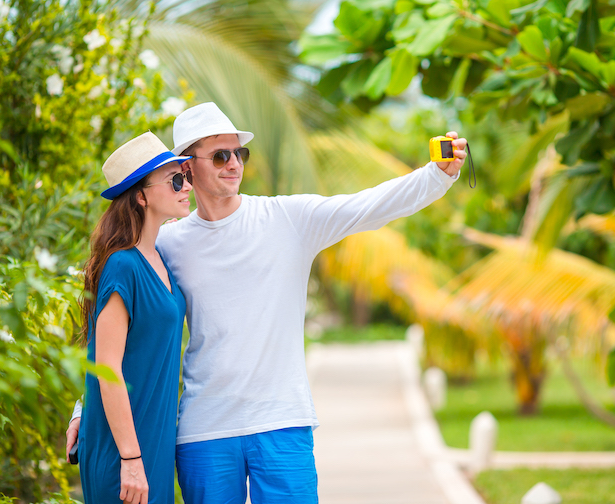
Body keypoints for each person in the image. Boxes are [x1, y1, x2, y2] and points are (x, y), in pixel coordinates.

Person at [68, 102, 467, 504]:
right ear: (186, 168)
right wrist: (87, 409)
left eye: (239, 153)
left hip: (282, 422)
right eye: (220, 155)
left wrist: (437, 176)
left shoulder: (288, 219)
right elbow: (128, 338)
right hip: (204, 432)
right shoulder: (167, 244)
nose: (233, 164)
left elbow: (369, 206)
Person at [76, 132, 191, 504]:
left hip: (151, 438)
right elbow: (105, 366)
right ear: (141, 196)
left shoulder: (159, 259)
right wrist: (130, 457)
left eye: (186, 175)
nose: (186, 185)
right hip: (124, 448)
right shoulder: (123, 266)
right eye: (176, 180)